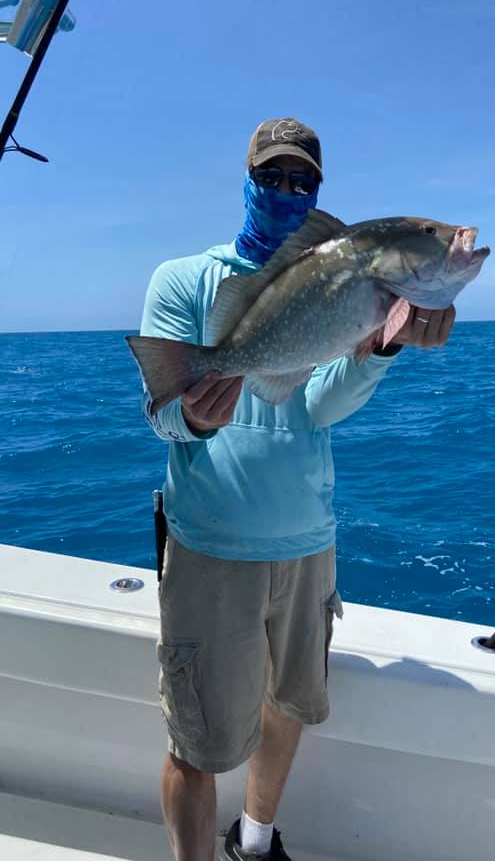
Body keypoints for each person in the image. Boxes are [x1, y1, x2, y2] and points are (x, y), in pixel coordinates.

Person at [138, 117, 457, 861]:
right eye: (272, 177)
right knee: (198, 741)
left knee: (289, 706)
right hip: (212, 547)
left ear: (318, 190)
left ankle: (254, 840)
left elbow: (315, 406)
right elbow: (161, 419)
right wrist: (189, 411)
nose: (286, 190)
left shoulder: (353, 282)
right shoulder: (185, 278)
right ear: (247, 180)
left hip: (309, 542)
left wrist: (380, 350)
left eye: (302, 181)